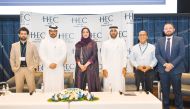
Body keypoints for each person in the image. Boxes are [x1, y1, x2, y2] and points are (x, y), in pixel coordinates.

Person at [155, 22, 185, 109]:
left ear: (174, 29)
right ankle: (165, 107)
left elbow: (181, 54)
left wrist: (171, 65)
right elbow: (157, 54)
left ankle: (179, 107)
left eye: (170, 28)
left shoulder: (180, 39)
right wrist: (165, 64)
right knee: (165, 92)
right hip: (163, 71)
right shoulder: (159, 40)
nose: (168, 30)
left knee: (177, 92)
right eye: (166, 28)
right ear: (163, 30)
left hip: (176, 70)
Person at [10, 27, 39, 93]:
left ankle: (33, 102)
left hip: (29, 69)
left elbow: (37, 57)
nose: (23, 35)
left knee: (32, 89)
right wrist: (13, 68)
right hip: (18, 69)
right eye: (22, 34)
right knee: (19, 89)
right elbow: (12, 58)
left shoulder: (33, 45)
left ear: (27, 35)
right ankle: (19, 103)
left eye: (25, 34)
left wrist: (34, 67)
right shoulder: (14, 45)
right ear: (19, 35)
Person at [39, 25, 67, 92]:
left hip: (58, 68)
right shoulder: (43, 42)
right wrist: (49, 64)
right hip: (48, 68)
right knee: (48, 85)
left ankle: (59, 101)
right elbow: (42, 54)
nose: (53, 32)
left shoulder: (61, 42)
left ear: (57, 32)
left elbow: (64, 54)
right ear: (48, 32)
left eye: (54, 31)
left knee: (58, 86)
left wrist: (56, 63)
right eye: (51, 31)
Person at [101, 26, 127, 92]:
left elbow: (125, 55)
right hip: (108, 69)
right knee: (108, 86)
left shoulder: (122, 42)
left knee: (119, 86)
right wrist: (104, 68)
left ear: (117, 32)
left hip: (120, 68)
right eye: (111, 31)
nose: (113, 32)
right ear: (109, 32)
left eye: (115, 30)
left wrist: (124, 67)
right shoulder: (105, 43)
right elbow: (103, 57)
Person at [75, 27, 101, 92]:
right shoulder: (78, 44)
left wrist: (85, 65)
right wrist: (80, 65)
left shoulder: (93, 43)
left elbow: (94, 55)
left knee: (92, 87)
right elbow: (76, 56)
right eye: (83, 32)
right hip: (80, 67)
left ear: (89, 33)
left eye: (87, 32)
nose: (85, 33)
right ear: (81, 34)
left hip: (91, 68)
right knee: (79, 88)